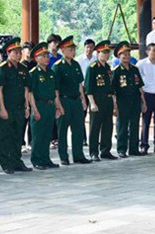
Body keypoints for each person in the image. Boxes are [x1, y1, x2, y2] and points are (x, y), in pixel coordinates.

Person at [0, 37, 32, 174]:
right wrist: (2, 108)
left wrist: (27, 107)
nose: (18, 54)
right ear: (8, 53)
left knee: (18, 135)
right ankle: (6, 162)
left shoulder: (23, 68)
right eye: (14, 52)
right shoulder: (2, 68)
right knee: (5, 136)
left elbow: (26, 89)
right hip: (7, 107)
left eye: (19, 52)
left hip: (19, 107)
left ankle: (17, 161)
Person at [53, 36, 90, 165]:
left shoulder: (75, 64)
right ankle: (63, 156)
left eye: (73, 49)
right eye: (69, 49)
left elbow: (80, 84)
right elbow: (55, 88)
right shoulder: (57, 67)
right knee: (62, 130)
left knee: (78, 129)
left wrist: (83, 100)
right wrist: (58, 105)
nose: (72, 52)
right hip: (64, 100)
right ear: (62, 51)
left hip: (76, 100)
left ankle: (78, 155)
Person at [26, 42, 61, 170]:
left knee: (47, 134)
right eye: (43, 56)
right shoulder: (33, 73)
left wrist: (58, 107)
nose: (46, 58)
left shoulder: (51, 73)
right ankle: (36, 160)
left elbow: (55, 92)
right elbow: (30, 93)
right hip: (39, 105)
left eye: (47, 55)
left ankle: (46, 158)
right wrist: (34, 109)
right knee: (37, 135)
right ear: (36, 58)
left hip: (50, 106)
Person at [112, 41, 147, 158]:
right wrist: (115, 106)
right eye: (124, 55)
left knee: (134, 125)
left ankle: (134, 149)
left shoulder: (134, 69)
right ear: (119, 56)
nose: (126, 57)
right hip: (122, 102)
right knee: (122, 126)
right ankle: (121, 149)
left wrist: (143, 102)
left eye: (128, 54)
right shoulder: (116, 71)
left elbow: (140, 87)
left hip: (135, 101)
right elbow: (113, 91)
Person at [85, 40, 117, 161]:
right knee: (95, 127)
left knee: (108, 126)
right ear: (97, 53)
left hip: (108, 100)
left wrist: (114, 104)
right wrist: (92, 103)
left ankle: (105, 150)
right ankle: (93, 152)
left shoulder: (108, 68)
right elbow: (88, 88)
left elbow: (111, 88)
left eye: (107, 52)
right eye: (103, 52)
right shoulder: (92, 68)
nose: (106, 55)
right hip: (97, 100)